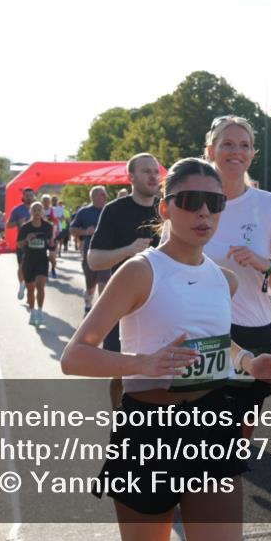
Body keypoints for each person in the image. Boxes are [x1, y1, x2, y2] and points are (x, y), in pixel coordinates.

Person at [60, 157, 271, 541]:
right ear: (165, 208)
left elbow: (212, 339)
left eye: (214, 203)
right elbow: (74, 356)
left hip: (213, 423)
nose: (204, 212)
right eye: (190, 201)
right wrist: (144, 364)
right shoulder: (140, 271)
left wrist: (249, 361)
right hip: (150, 430)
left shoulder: (224, 280)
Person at [202, 116, 271, 438]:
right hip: (199, 327)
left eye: (244, 145)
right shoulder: (192, 199)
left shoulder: (269, 205)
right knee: (199, 438)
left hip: (252, 329)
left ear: (252, 153)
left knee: (238, 439)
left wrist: (268, 265)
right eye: (228, 144)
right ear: (211, 150)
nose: (237, 151)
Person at [88, 153, 162, 409]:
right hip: (124, 305)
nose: (153, 176)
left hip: (163, 301)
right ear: (131, 177)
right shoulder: (114, 210)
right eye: (146, 171)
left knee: (163, 371)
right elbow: (94, 260)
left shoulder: (168, 209)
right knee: (120, 371)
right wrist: (127, 250)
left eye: (156, 171)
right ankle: (120, 422)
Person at [70, 186, 110, 313]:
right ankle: (88, 298)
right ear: (93, 197)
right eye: (101, 194)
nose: (104, 197)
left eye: (105, 194)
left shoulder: (110, 210)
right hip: (90, 254)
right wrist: (85, 231)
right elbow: (72, 230)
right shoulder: (84, 212)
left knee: (104, 283)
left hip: (107, 254)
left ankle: (101, 313)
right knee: (90, 286)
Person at [16, 202, 55, 327]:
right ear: (31, 212)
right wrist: (27, 239)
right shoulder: (25, 227)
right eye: (34, 210)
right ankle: (32, 312)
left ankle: (40, 312)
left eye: (39, 210)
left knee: (40, 285)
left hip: (42, 260)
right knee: (31, 289)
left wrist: (52, 246)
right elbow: (19, 245)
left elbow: (51, 244)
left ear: (42, 211)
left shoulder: (48, 226)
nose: (37, 212)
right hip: (29, 261)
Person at [6, 187, 36, 300]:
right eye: (27, 195)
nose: (29, 198)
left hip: (35, 243)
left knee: (33, 268)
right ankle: (22, 284)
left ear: (33, 196)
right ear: (23, 197)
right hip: (22, 242)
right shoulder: (17, 210)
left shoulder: (37, 209)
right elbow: (8, 225)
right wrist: (18, 222)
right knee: (21, 266)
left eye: (31, 195)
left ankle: (30, 290)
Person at [40, 194, 59, 276]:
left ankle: (53, 268)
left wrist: (58, 230)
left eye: (47, 201)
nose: (46, 203)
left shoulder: (54, 210)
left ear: (50, 202)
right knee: (41, 255)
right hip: (41, 235)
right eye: (44, 201)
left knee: (52, 257)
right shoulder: (39, 210)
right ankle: (43, 271)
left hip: (52, 235)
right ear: (42, 202)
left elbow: (57, 222)